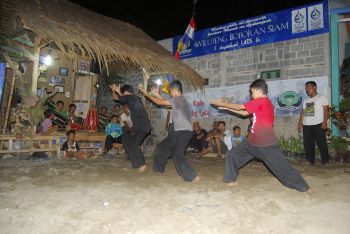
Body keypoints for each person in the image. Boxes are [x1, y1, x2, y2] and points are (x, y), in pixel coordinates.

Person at [211, 79, 310, 193]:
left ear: (258, 91)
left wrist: (221, 103)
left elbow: (239, 107)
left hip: (265, 143)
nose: (251, 95)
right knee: (232, 154)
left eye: (252, 92)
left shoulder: (262, 101)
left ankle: (304, 187)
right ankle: (231, 179)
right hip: (251, 142)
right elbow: (244, 113)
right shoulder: (263, 103)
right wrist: (226, 108)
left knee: (281, 167)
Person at [139, 80, 200, 182]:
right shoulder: (180, 100)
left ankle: (193, 176)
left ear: (173, 89)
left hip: (184, 132)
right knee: (161, 147)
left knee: (177, 155)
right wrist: (157, 94)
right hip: (178, 132)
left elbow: (159, 102)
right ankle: (158, 170)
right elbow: (167, 104)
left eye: (170, 91)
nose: (170, 94)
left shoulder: (178, 99)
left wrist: (146, 94)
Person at [110, 84, 150, 173]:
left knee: (135, 144)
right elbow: (116, 99)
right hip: (138, 127)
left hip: (142, 127)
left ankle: (142, 164)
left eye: (123, 94)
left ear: (126, 93)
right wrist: (114, 91)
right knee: (126, 139)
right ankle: (135, 162)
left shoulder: (132, 98)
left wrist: (118, 91)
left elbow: (119, 98)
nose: (123, 96)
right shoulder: (133, 99)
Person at [297, 81, 330, 165]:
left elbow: (326, 111)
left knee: (321, 143)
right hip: (307, 125)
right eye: (306, 88)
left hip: (318, 124)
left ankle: (325, 161)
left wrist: (324, 122)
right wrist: (300, 124)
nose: (307, 89)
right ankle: (310, 160)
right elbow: (303, 112)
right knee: (308, 144)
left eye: (309, 87)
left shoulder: (322, 97)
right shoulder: (306, 100)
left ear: (315, 87)